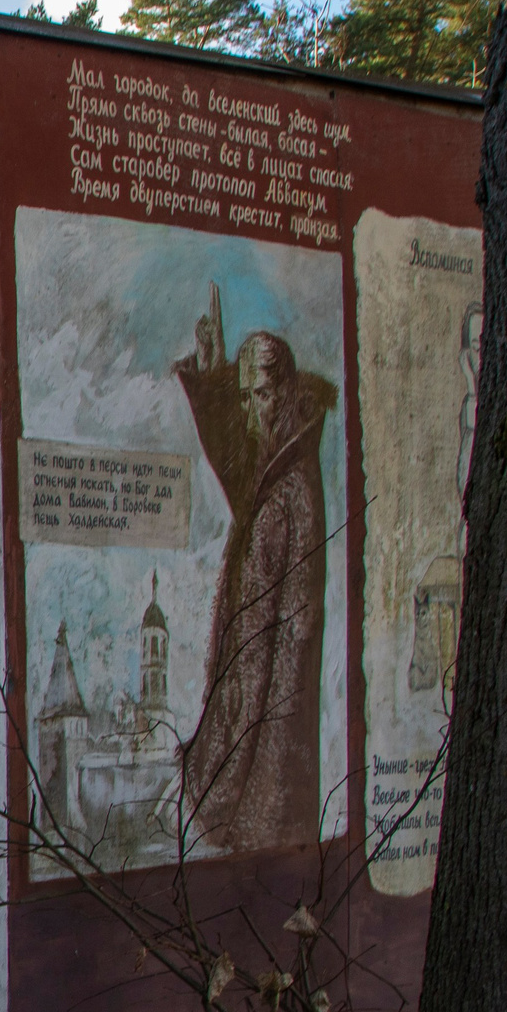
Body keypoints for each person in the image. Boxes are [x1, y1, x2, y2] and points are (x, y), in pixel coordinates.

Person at [171, 285, 334, 855]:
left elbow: (293, 638)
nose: (249, 410)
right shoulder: (271, 462)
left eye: (258, 396)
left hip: (269, 727)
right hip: (247, 692)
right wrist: (215, 373)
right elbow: (236, 457)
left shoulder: (295, 490)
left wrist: (251, 748)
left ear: (284, 395)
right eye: (243, 398)